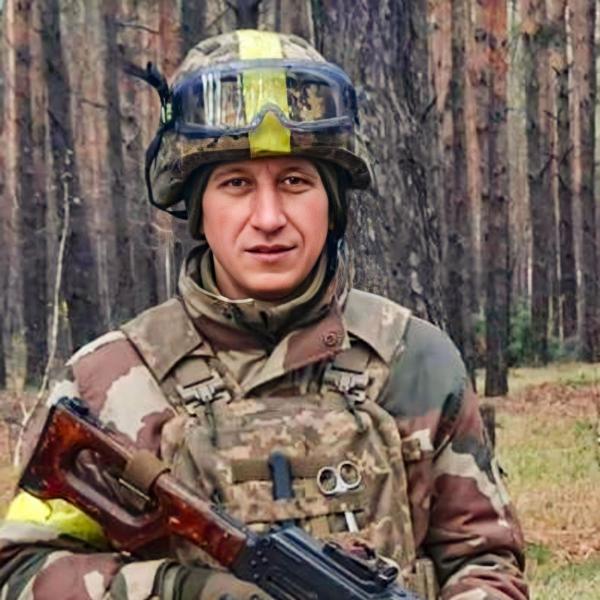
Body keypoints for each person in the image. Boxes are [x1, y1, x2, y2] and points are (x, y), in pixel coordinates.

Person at [0, 30, 528, 600]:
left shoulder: (414, 362)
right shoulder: (109, 382)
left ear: (333, 204)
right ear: (199, 207)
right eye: (236, 184)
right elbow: (20, 573)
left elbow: (486, 560)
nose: (269, 217)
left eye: (295, 182)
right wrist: (185, 591)